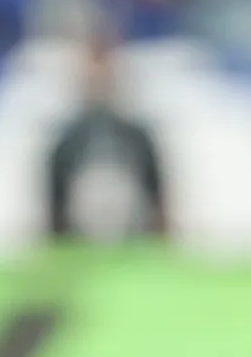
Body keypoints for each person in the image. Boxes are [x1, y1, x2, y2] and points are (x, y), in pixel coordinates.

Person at [45, 34, 170, 243]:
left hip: (133, 253)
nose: (99, 80)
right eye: (93, 74)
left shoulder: (137, 136)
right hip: (82, 256)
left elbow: (158, 205)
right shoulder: (67, 140)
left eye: (105, 72)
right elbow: (54, 216)